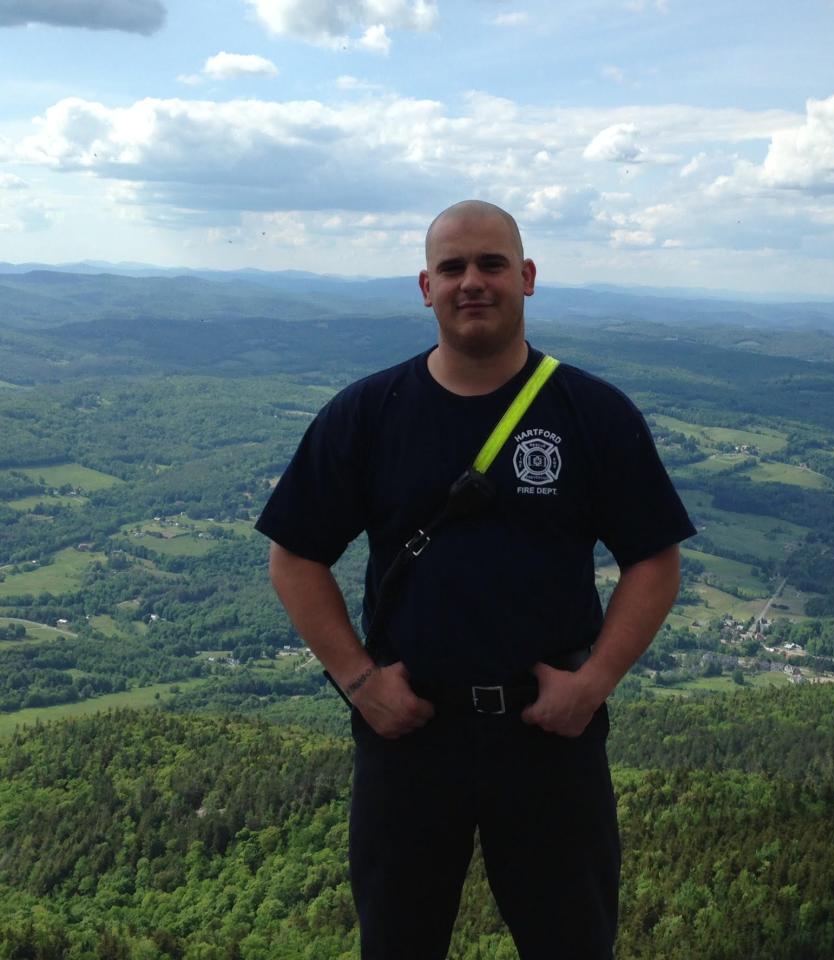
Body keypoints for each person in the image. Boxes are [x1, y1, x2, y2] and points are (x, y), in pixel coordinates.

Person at [255, 200, 696, 959]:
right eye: (453, 267)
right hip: (411, 737)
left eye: (492, 264)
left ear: (526, 278)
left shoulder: (590, 413)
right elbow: (294, 556)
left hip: (549, 739)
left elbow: (654, 559)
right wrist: (361, 684)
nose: (473, 282)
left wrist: (592, 685)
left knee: (572, 945)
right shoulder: (369, 412)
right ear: (425, 288)